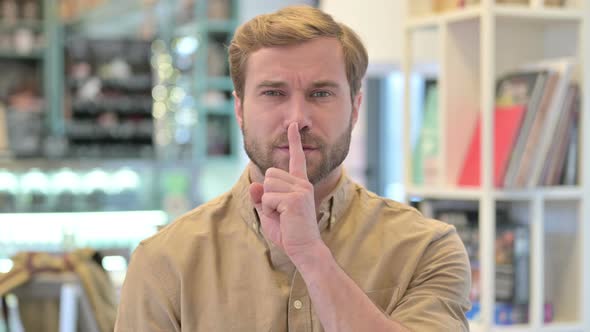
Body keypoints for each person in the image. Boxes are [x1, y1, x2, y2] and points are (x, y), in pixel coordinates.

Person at [115, 5, 471, 332]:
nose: (298, 119)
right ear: (239, 109)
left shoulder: (426, 249)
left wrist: (312, 256)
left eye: (321, 94)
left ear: (356, 107)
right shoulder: (164, 262)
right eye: (273, 93)